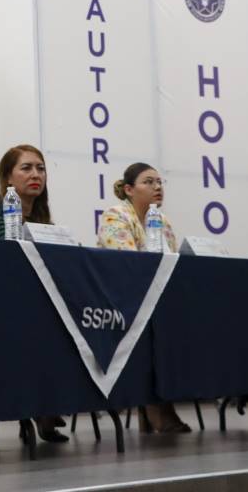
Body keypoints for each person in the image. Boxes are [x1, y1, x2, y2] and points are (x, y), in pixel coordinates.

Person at [0, 144, 68, 443]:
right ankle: (40, 406)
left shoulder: (44, 221)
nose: (35, 174)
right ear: (8, 178)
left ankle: (47, 403)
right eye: (26, 168)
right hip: (0, 307)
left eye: (40, 168)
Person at [96, 162, 188, 433]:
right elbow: (126, 266)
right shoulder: (116, 215)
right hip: (119, 303)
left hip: (153, 300)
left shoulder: (164, 222)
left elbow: (169, 266)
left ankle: (156, 401)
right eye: (149, 182)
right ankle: (156, 405)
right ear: (128, 189)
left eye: (160, 182)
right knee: (156, 325)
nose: (157, 187)